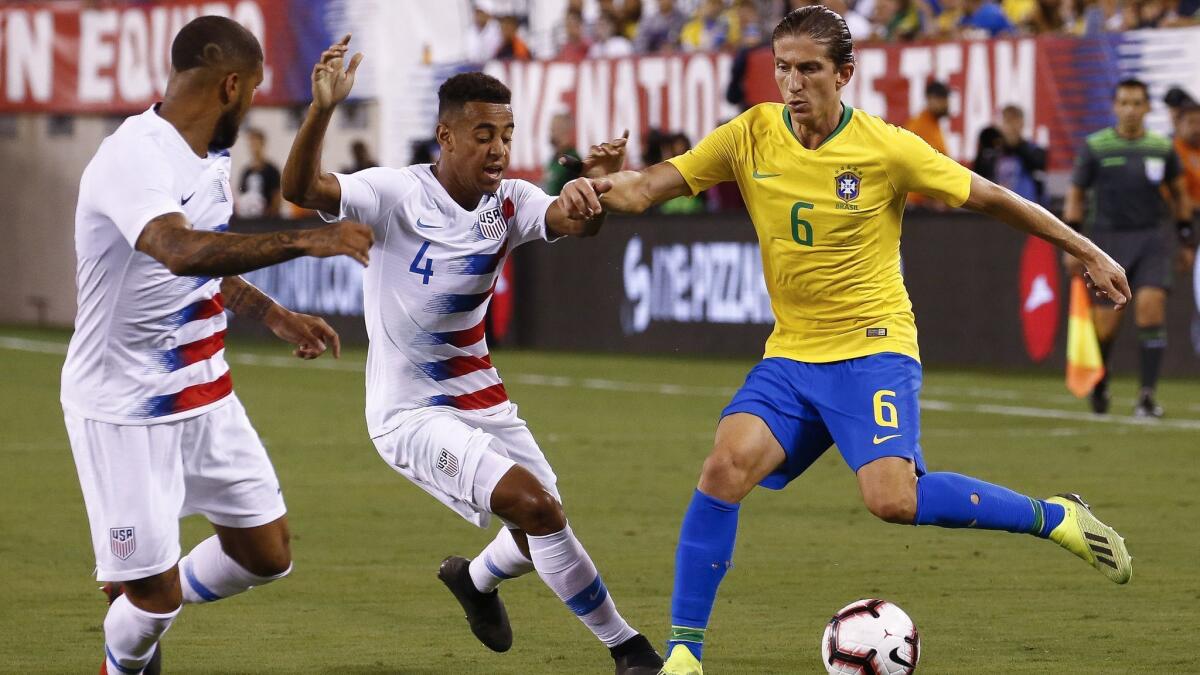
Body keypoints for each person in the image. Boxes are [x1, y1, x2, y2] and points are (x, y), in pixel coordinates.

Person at [560, 8, 1134, 674]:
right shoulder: (750, 134)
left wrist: (1085, 248)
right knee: (724, 467)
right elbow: (649, 187)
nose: (793, 83)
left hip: (872, 349)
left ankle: (1053, 515)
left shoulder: (886, 147)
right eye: (782, 67)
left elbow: (991, 197)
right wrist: (603, 180)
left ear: (845, 74)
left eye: (809, 69)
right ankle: (685, 653)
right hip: (793, 356)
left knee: (893, 499)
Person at [281, 37, 663, 674]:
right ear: (446, 137)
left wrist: (587, 195)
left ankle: (474, 581)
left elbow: (574, 221)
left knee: (539, 521)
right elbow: (301, 188)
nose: (498, 149)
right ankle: (631, 652)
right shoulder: (394, 194)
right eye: (483, 133)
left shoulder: (508, 202)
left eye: (507, 135)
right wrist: (320, 111)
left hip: (482, 397)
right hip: (409, 412)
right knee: (539, 511)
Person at [63, 16, 373, 675]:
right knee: (152, 607)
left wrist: (271, 312)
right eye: (256, 91)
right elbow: (178, 250)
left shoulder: (211, 155)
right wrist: (307, 240)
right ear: (231, 84)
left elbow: (208, 255)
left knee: (267, 553)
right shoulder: (134, 155)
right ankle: (128, 640)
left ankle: (145, 584)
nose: (255, 102)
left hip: (206, 394)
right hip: (125, 407)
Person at [1063, 78, 1194, 418]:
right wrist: (1072, 243)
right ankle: (1101, 381)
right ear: (1114, 107)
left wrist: (1184, 238)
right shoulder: (1096, 147)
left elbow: (1180, 194)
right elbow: (1076, 196)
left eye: (1137, 103)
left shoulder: (1161, 149)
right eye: (1124, 103)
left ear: (1147, 107)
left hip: (1152, 239)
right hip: (1107, 241)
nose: (1131, 110)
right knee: (1105, 325)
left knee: (1151, 310)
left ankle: (1147, 395)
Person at [973, 105, 1046, 203]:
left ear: (1022, 123)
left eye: (1014, 120)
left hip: (1026, 204)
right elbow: (978, 172)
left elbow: (1037, 165)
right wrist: (985, 145)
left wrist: (1016, 143)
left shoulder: (1034, 149)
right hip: (998, 205)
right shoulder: (995, 151)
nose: (1010, 126)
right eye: (1007, 120)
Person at [903, 80, 951, 207]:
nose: (946, 104)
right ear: (930, 99)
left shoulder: (933, 124)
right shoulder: (919, 126)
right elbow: (923, 167)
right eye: (942, 99)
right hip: (918, 205)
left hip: (926, 203)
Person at [236, 128, 281, 218]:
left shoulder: (272, 170)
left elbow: (277, 197)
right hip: (248, 219)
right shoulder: (246, 172)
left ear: (263, 144)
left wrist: (270, 214)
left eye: (256, 143)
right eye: (251, 144)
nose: (254, 147)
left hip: (267, 220)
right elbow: (242, 195)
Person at [544, 112, 581, 196]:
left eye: (553, 129)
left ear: (564, 131)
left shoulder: (572, 161)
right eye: (551, 129)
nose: (551, 133)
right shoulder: (553, 159)